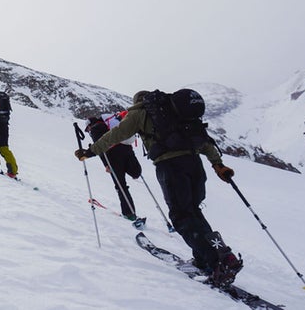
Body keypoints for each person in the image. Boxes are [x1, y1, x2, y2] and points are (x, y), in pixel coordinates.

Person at [74, 90, 243, 287]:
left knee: (181, 216)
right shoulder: (176, 114)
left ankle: (218, 264)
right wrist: (218, 164)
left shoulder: (139, 113)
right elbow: (203, 140)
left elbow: (116, 135)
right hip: (195, 165)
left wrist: (91, 151)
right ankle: (209, 257)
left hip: (171, 168)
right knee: (193, 211)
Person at [85, 114, 143, 223]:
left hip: (113, 157)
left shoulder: (94, 129)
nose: (88, 131)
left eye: (87, 129)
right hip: (127, 151)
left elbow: (100, 148)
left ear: (89, 125)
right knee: (136, 173)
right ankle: (136, 172)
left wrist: (106, 164)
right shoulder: (110, 123)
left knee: (121, 185)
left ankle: (129, 214)